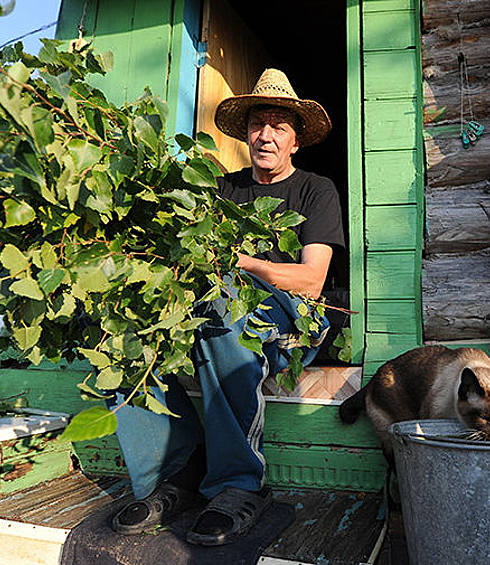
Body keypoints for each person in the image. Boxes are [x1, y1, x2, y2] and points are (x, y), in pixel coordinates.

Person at [107, 68, 344, 546]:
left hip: (291, 320)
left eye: (280, 126)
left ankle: (237, 483)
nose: (267, 135)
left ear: (295, 140)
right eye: (259, 124)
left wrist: (241, 262)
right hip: (220, 307)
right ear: (246, 133)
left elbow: (312, 281)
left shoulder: (315, 191)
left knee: (224, 310)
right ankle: (174, 476)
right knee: (123, 331)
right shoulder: (221, 191)